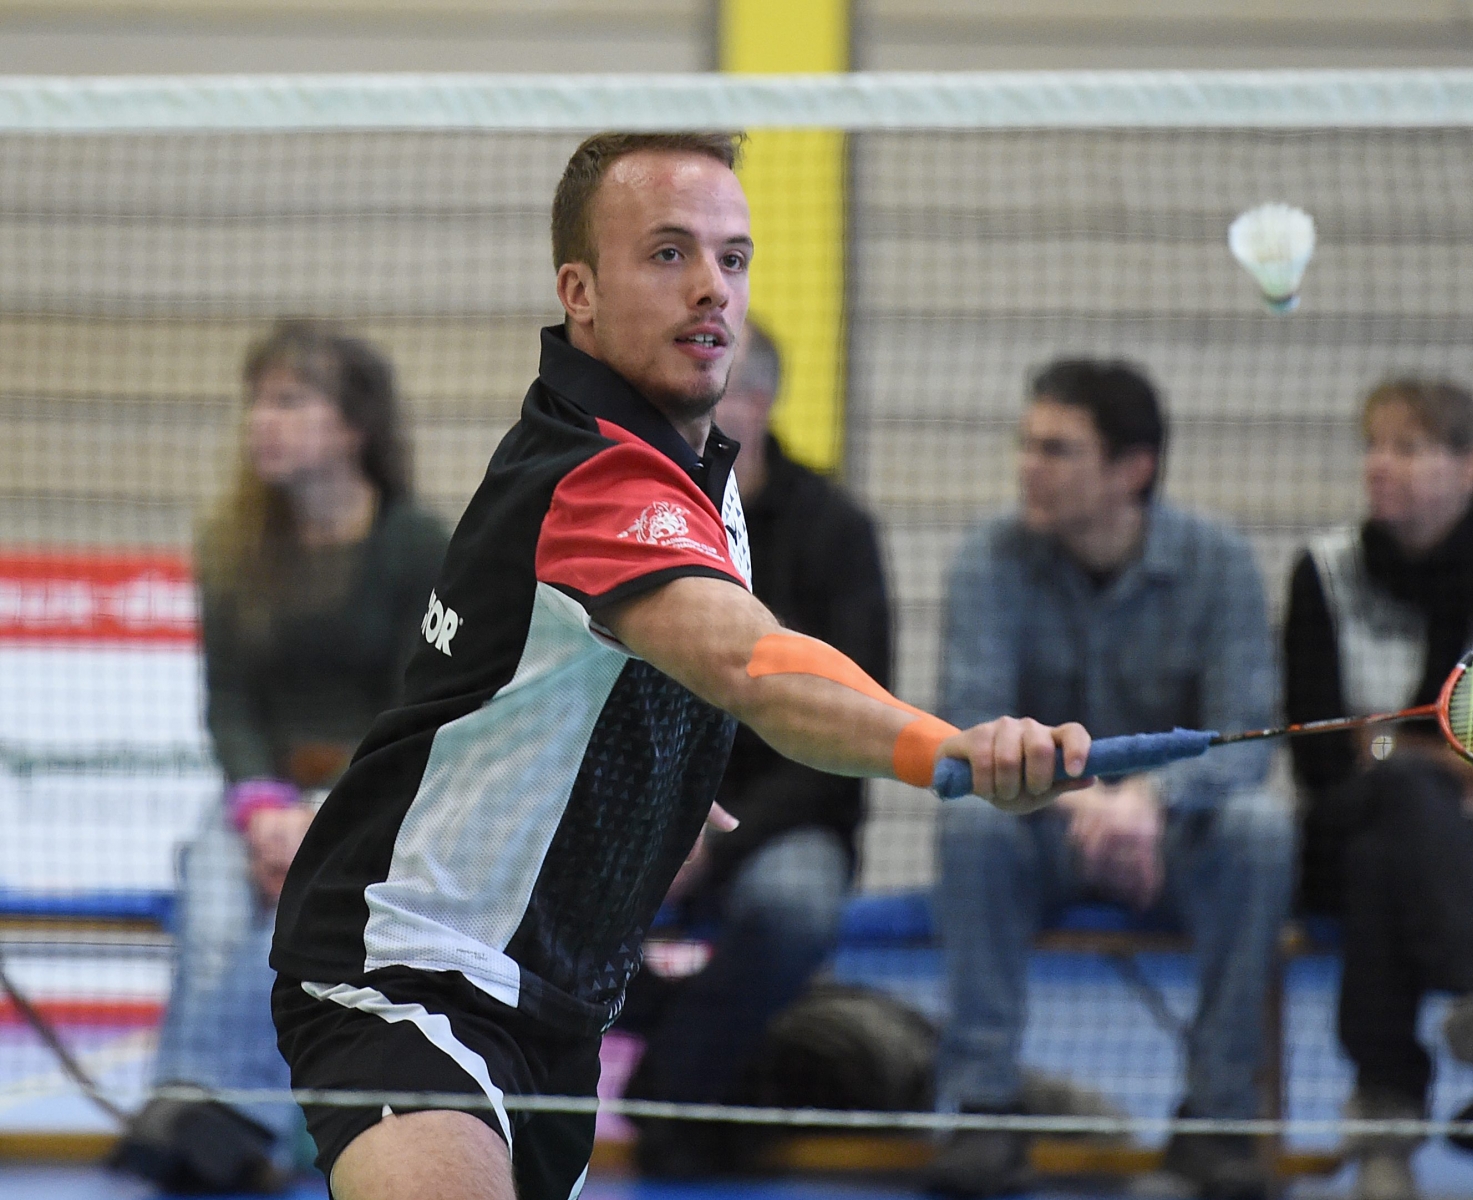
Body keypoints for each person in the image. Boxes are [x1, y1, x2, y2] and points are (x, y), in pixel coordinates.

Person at [266, 130, 1092, 1200]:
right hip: (409, 976)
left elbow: (576, 683)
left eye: (732, 259)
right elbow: (753, 668)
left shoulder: (692, 470)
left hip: (552, 1002)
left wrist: (648, 786)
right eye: (667, 254)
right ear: (581, 291)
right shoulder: (600, 478)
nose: (711, 288)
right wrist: (956, 751)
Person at [931, 360, 1292, 1200]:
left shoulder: (1221, 564)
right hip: (1045, 834)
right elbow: (970, 727)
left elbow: (1248, 741)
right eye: (1026, 445)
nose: (1029, 467)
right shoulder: (988, 560)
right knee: (971, 823)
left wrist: (1152, 805)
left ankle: (1217, 1118)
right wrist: (1091, 808)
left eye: (1057, 450)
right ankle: (983, 1108)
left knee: (1262, 829)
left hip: (1177, 844)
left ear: (1133, 470)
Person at [144, 322, 446, 1175]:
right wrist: (261, 806)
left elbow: (415, 703)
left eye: (289, 401)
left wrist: (320, 813)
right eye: (257, 402)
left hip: (375, 798)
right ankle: (198, 1110)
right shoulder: (231, 547)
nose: (261, 421)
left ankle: (225, 1120)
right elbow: (229, 700)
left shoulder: (416, 545)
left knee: (290, 920)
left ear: (353, 428)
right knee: (207, 894)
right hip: (260, 798)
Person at [1282, 378, 1473, 1200]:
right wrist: (1452, 758)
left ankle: (1383, 1130)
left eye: (1408, 447)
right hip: (1336, 834)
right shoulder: (1323, 573)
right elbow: (1319, 763)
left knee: (1393, 846)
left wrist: (1390, 743)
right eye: (1374, 445)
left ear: (1469, 466)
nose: (1381, 465)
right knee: (1397, 810)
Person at [625, 318, 893, 1174]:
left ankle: (673, 1090)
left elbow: (850, 731)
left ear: (759, 404)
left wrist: (716, 838)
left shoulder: (839, 535)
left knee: (794, 908)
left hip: (785, 821)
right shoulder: (645, 521)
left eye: (710, 390)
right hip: (653, 809)